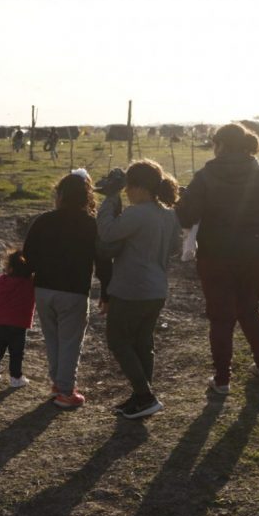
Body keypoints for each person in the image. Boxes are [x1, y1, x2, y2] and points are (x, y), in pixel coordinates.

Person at [176, 123, 259, 393]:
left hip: (216, 255)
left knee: (221, 317)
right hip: (255, 254)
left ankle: (222, 379)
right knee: (250, 309)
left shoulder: (206, 175)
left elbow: (187, 217)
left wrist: (181, 199)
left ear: (221, 145)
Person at [96, 159, 180, 420]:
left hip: (131, 289)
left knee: (118, 340)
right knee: (143, 343)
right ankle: (141, 396)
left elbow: (107, 232)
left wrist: (110, 199)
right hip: (156, 289)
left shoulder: (138, 212)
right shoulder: (168, 214)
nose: (127, 192)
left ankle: (145, 395)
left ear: (139, 187)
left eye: (128, 187)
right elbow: (175, 248)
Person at [23, 169, 110, 409]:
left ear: (60, 195)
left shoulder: (43, 220)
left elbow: (28, 255)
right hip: (74, 292)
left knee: (52, 339)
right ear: (86, 196)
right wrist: (106, 291)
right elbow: (102, 260)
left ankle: (57, 384)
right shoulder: (91, 225)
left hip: (43, 290)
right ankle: (65, 391)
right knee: (71, 341)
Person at [0, 249, 35, 388]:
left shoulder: (2, 280)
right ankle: (16, 377)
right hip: (19, 324)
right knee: (16, 353)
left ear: (10, 268)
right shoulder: (30, 282)